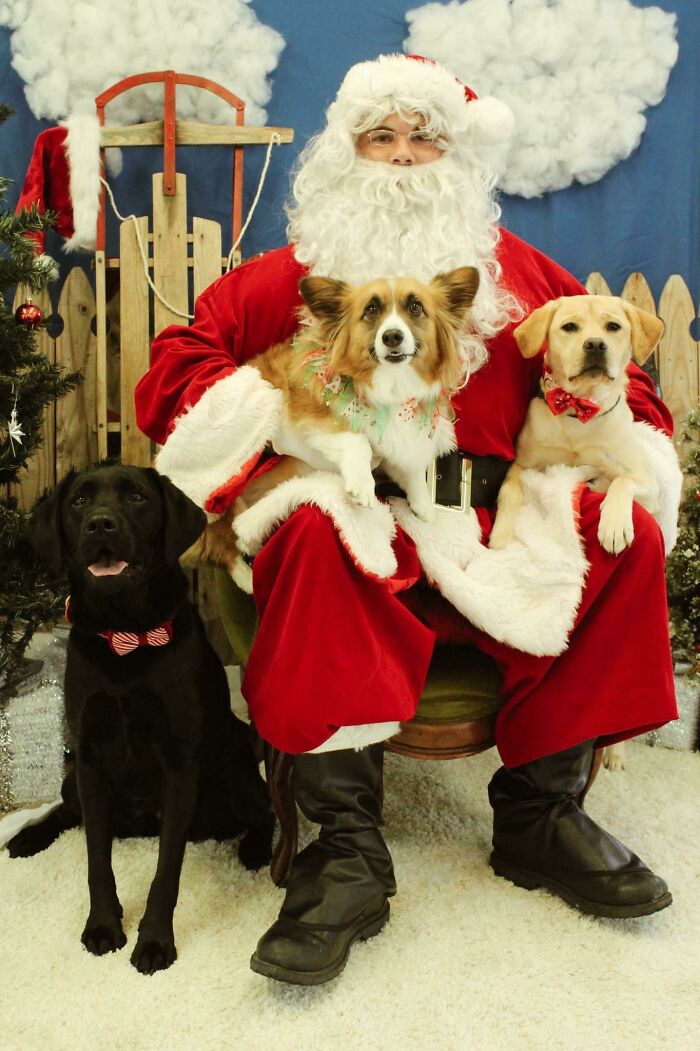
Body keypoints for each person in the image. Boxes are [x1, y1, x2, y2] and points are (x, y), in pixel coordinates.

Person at [134, 54, 679, 986]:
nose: (401, 156)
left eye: (423, 137)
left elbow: (627, 385)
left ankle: (541, 812)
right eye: (379, 136)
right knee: (313, 528)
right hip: (363, 526)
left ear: (456, 155)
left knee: (625, 534)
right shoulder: (297, 275)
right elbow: (176, 369)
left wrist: (613, 444)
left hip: (494, 524)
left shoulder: (515, 275)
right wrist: (286, 415)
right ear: (344, 154)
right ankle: (345, 848)